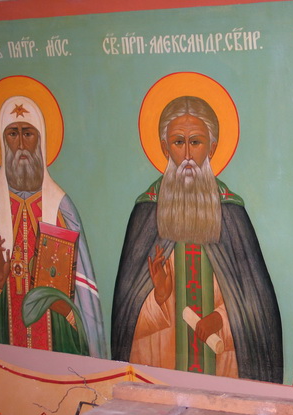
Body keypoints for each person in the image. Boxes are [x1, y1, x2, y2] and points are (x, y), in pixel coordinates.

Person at [112, 96, 283, 383]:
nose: (188, 154)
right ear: (165, 147)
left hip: (222, 369)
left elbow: (255, 305)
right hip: (162, 365)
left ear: (212, 148)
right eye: (179, 142)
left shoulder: (231, 212)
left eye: (196, 142)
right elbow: (126, 319)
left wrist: (222, 319)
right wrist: (159, 296)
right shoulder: (147, 211)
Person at [0, 92, 107, 359]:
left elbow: (84, 304)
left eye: (28, 134)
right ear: (2, 140)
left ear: (41, 139)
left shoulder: (61, 207)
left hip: (55, 350)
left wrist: (63, 307)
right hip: (3, 352)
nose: (21, 145)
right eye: (12, 134)